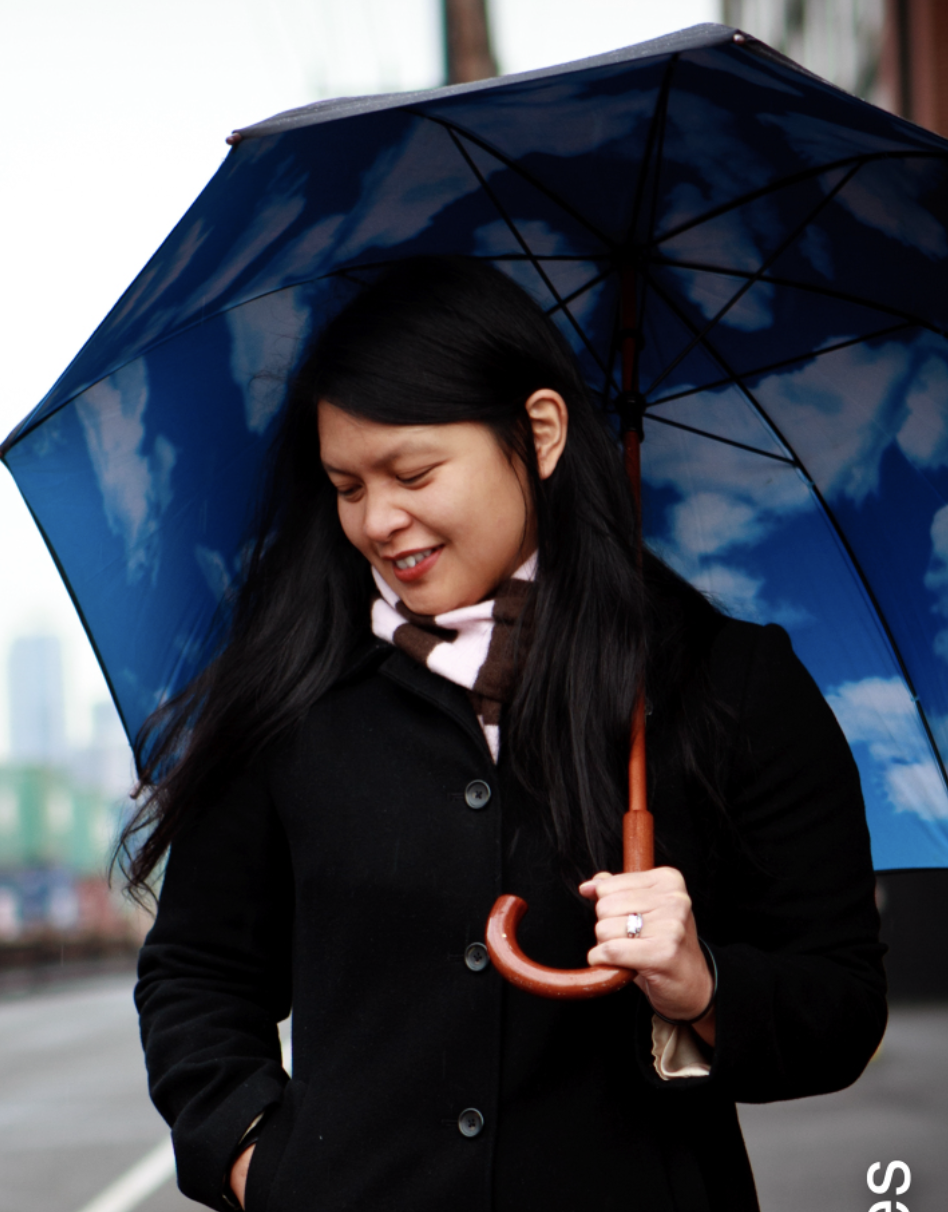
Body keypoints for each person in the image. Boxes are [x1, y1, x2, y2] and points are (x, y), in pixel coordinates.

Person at [123, 257, 886, 1212]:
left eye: (412, 472)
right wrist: (258, 1161)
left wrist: (703, 985)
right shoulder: (294, 691)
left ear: (540, 432)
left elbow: (842, 1004)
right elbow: (198, 973)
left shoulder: (724, 683)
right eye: (346, 485)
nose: (378, 521)